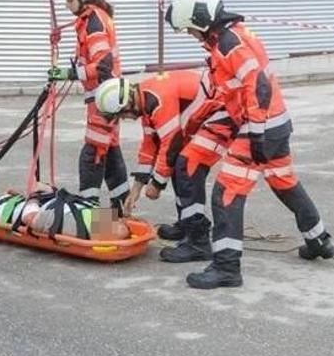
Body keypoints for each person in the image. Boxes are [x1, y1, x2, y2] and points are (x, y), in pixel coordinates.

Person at [165, 0, 334, 289]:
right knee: (284, 182)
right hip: (267, 124)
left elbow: (257, 88)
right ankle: (318, 240)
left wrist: (256, 134)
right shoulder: (226, 40)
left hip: (260, 126)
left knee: (226, 192)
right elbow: (230, 91)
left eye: (190, 29)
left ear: (202, 20)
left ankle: (227, 267)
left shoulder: (231, 44)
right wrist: (198, 121)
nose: (190, 35)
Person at [93, 70, 234, 263]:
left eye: (122, 115)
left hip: (224, 115)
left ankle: (198, 242)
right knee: (180, 164)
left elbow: (171, 142)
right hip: (210, 116)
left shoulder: (157, 99)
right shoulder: (145, 99)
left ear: (126, 104)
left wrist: (157, 184)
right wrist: (136, 190)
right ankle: (186, 225)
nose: (126, 119)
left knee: (187, 166)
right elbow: (150, 145)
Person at [47, 0, 128, 204]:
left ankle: (88, 213)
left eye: (70, 0)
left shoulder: (94, 23)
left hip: (105, 99)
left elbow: (102, 66)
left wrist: (68, 73)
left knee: (93, 154)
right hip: (103, 98)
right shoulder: (89, 20)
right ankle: (121, 212)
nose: (66, 5)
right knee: (110, 154)